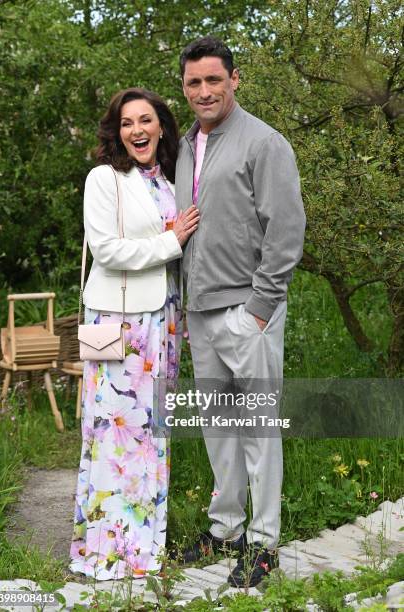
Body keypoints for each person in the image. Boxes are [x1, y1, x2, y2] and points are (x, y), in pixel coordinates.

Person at [175, 37, 306, 587]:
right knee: (219, 429)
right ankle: (224, 528)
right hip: (200, 313)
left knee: (256, 429)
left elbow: (286, 229)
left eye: (213, 80)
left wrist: (259, 307)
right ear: (184, 88)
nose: (204, 91)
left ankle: (263, 543)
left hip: (246, 312)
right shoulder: (184, 146)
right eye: (193, 83)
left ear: (234, 80)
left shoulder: (263, 142)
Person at [70, 88, 199, 580]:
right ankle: (109, 549)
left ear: (162, 127)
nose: (138, 130)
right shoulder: (105, 178)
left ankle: (145, 547)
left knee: (151, 438)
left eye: (146, 120)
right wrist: (173, 239)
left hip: (163, 320)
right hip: (119, 322)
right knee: (114, 435)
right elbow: (106, 250)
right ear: (117, 131)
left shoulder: (168, 181)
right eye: (127, 123)